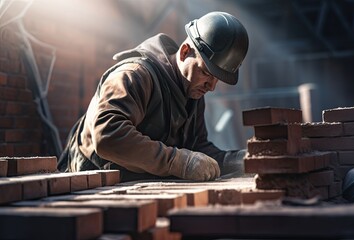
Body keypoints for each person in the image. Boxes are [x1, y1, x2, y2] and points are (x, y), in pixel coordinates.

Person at [58, 11, 249, 182]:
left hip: (136, 189)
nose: (212, 87)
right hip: (89, 187)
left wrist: (241, 161)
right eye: (206, 73)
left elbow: (197, 150)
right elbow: (108, 135)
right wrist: (177, 162)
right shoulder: (135, 75)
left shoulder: (193, 92)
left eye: (217, 79)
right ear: (184, 52)